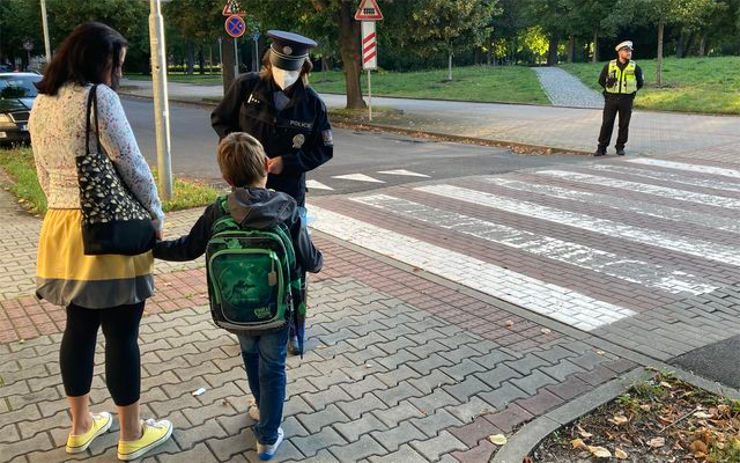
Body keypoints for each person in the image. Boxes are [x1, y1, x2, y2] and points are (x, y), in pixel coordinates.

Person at [29, 22, 173, 461]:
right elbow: (130, 161)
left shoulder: (41, 101)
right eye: (116, 65)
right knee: (122, 333)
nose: (117, 74)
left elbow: (41, 171)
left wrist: (61, 204)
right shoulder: (98, 98)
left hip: (60, 229)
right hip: (105, 230)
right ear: (98, 61)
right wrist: (155, 213)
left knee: (78, 328)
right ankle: (131, 433)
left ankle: (80, 427)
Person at [153, 132, 323, 460]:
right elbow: (308, 258)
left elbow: (189, 248)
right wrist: (318, 261)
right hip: (276, 310)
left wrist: (152, 248)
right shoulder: (286, 205)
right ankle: (268, 436)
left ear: (225, 177)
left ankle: (260, 407)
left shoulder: (218, 209)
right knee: (273, 366)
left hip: (234, 309)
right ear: (265, 166)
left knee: (250, 355)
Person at [211, 30, 333, 355]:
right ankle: (249, 319)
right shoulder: (246, 87)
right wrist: (238, 153)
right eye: (280, 66)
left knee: (293, 266)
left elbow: (323, 150)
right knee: (251, 260)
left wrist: (286, 163)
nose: (285, 74)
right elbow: (220, 120)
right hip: (246, 193)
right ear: (269, 60)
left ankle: (294, 328)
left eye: (292, 68)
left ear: (303, 68)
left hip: (289, 197)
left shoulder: (312, 105)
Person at [595, 40, 644, 156]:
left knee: (624, 124)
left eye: (630, 51)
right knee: (607, 123)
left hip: (626, 99)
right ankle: (601, 148)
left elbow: (640, 83)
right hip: (611, 99)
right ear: (619, 52)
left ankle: (620, 147)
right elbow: (601, 80)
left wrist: (631, 92)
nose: (629, 53)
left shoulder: (635, 67)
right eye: (626, 51)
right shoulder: (610, 65)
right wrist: (609, 89)